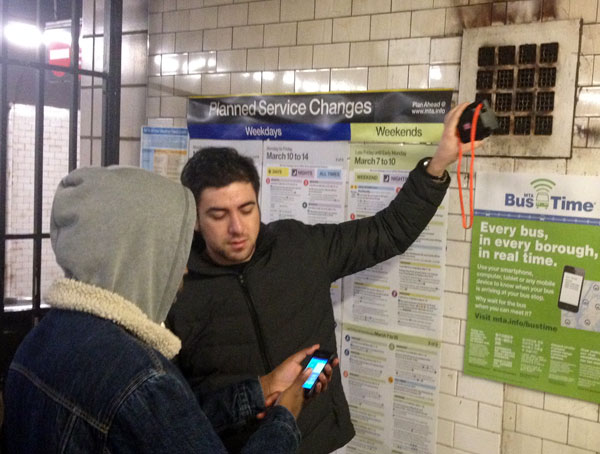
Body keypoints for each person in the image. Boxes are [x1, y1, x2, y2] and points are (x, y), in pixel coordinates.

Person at [167, 103, 478, 453]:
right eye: (219, 214)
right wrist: (258, 391)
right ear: (194, 218)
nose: (237, 228)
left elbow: (388, 232)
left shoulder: (298, 245)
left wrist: (437, 166)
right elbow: (174, 415)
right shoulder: (173, 290)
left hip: (318, 441)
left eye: (246, 209)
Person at [2, 166, 336, 453]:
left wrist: (260, 390)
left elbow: (167, 425)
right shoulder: (143, 378)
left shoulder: (38, 342)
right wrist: (286, 415)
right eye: (174, 251)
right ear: (141, 254)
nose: (185, 268)